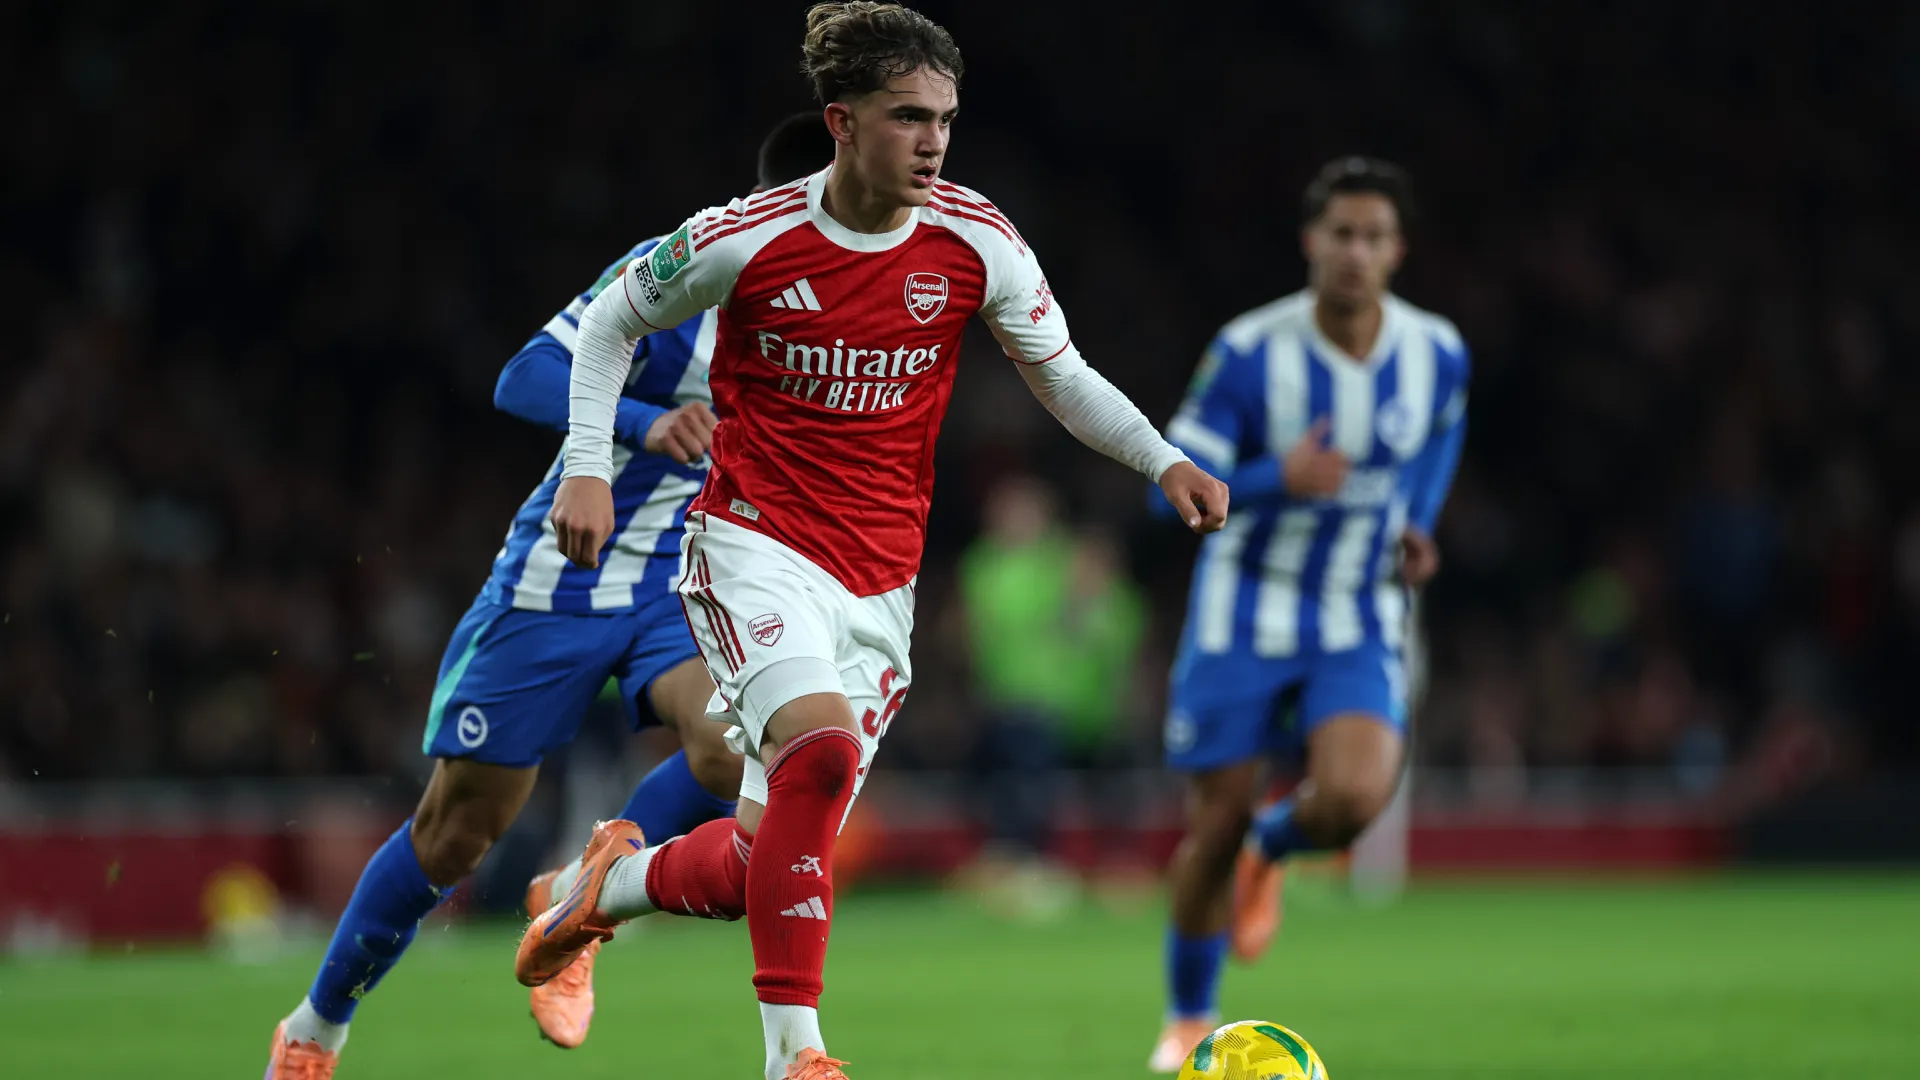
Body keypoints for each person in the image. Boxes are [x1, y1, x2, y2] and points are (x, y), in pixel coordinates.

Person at [514, 5, 1227, 1079]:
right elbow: (614, 320)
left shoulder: (974, 238)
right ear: (842, 124)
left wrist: (1159, 458)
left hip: (880, 582)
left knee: (764, 857)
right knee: (822, 749)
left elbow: (1063, 374)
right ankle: (796, 1057)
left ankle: (602, 887)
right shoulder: (743, 237)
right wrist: (585, 464)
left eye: (944, 117)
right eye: (908, 118)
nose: (934, 140)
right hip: (752, 546)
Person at [263, 112, 834, 1078]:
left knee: (737, 739)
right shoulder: (682, 269)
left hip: (682, 583)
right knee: (455, 834)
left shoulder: (841, 314)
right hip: (559, 582)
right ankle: (315, 1028)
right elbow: (524, 375)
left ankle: (583, 897)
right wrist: (649, 425)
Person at [1145, 156, 1469, 1072]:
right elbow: (1168, 489)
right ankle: (1184, 1019)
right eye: (1341, 235)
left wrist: (1420, 522)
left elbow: (1444, 429)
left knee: (1357, 799)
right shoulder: (1251, 353)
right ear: (1311, 244)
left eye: (1373, 237)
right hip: (1243, 608)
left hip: (1357, 611)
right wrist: (1273, 479)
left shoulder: (1435, 351)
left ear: (1397, 250)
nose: (1356, 253)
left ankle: (1271, 849)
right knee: (1210, 827)